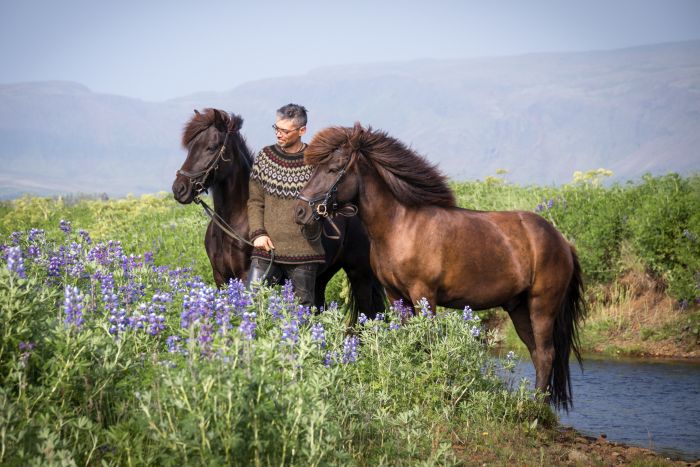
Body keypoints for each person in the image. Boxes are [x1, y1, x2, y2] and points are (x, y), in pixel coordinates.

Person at [246, 103, 324, 307]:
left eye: (284, 131)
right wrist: (258, 233)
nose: (278, 134)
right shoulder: (264, 157)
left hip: (304, 251)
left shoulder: (316, 162)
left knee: (303, 313)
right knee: (250, 304)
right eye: (276, 128)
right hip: (266, 248)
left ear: (302, 131)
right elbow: (255, 201)